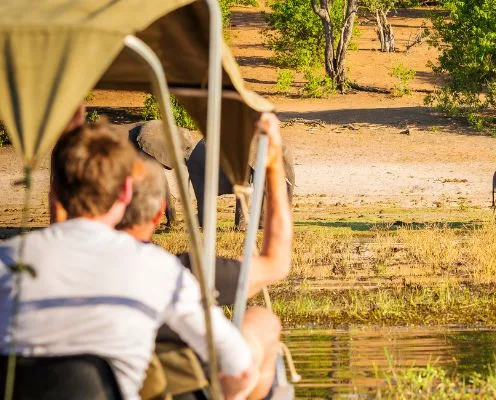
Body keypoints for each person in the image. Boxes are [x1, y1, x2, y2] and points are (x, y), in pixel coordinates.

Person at [0, 121, 256, 400]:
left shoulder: (5, 260)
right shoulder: (157, 268)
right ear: (125, 193)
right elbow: (239, 365)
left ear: (54, 194)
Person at [121, 113, 292, 400]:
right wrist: (273, 167)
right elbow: (276, 263)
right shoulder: (175, 274)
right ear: (159, 211)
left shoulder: (23, 265)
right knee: (261, 321)